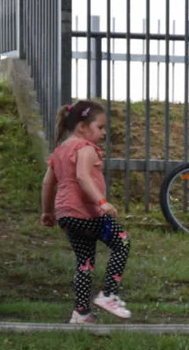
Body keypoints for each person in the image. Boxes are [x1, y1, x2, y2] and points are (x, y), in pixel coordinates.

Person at [40, 100, 132, 324]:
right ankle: (109, 294)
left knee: (84, 261)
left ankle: (81, 313)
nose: (103, 133)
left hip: (66, 216)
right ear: (82, 127)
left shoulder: (60, 151)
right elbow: (82, 176)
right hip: (85, 213)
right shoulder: (85, 148)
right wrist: (102, 202)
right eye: (100, 127)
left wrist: (47, 212)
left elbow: (47, 184)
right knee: (122, 242)